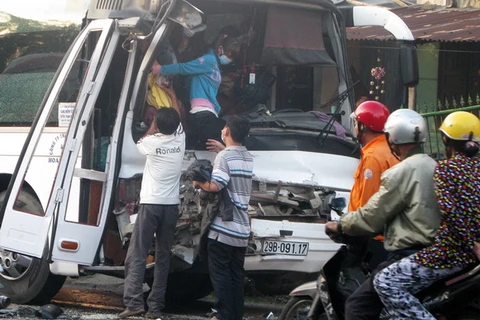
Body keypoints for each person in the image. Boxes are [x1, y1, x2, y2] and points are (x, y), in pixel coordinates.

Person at [324, 108, 442, 320]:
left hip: (407, 253)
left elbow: (373, 213)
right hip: (432, 253)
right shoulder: (436, 166)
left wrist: (341, 225)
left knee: (357, 306)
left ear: (392, 137)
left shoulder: (400, 171)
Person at [374, 111, 480, 320]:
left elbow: (450, 212)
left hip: (450, 253)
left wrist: (473, 244)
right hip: (468, 257)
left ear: (445, 139)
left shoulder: (445, 170)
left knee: (384, 281)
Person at [118, 107, 186, 319]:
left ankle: (134, 303)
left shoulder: (150, 143)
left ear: (157, 124)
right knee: (164, 256)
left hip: (151, 205)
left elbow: (140, 141)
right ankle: (155, 307)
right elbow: (180, 118)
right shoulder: (180, 139)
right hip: (171, 206)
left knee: (137, 253)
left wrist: (152, 126)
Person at [192, 115, 254, 320]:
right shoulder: (246, 156)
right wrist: (223, 150)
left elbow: (215, 185)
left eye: (225, 126)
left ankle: (222, 314)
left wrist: (198, 183)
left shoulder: (225, 157)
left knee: (220, 274)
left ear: (227, 131)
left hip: (223, 229)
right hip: (242, 229)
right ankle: (235, 315)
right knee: (236, 275)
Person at [152, 35, 241, 150]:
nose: (229, 59)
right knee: (231, 143)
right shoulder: (208, 60)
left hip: (207, 114)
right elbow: (183, 68)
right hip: (203, 115)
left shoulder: (214, 65)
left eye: (232, 57)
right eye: (228, 55)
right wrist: (160, 69)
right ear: (220, 49)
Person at [349, 101, 400, 270]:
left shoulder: (372, 156)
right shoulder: (389, 150)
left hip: (373, 239)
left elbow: (367, 201)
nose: (354, 127)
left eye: (356, 123)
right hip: (389, 235)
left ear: (363, 126)